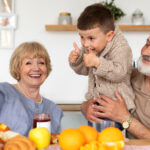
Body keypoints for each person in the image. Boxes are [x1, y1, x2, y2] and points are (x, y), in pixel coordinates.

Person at [68, 3, 135, 128]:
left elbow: (119, 73)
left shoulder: (122, 48)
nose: (86, 43)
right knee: (94, 141)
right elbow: (84, 69)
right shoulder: (91, 45)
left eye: (91, 38)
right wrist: (76, 61)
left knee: (110, 142)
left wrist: (97, 63)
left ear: (109, 36)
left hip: (116, 107)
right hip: (96, 106)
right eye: (82, 37)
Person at [81, 36, 150, 139]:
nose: (145, 52)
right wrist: (86, 107)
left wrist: (125, 118)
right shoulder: (128, 76)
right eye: (147, 44)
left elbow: (123, 117)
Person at [0, 41, 63, 136]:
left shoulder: (53, 109)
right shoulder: (4, 92)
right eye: (28, 63)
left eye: (41, 63)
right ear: (17, 68)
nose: (36, 68)